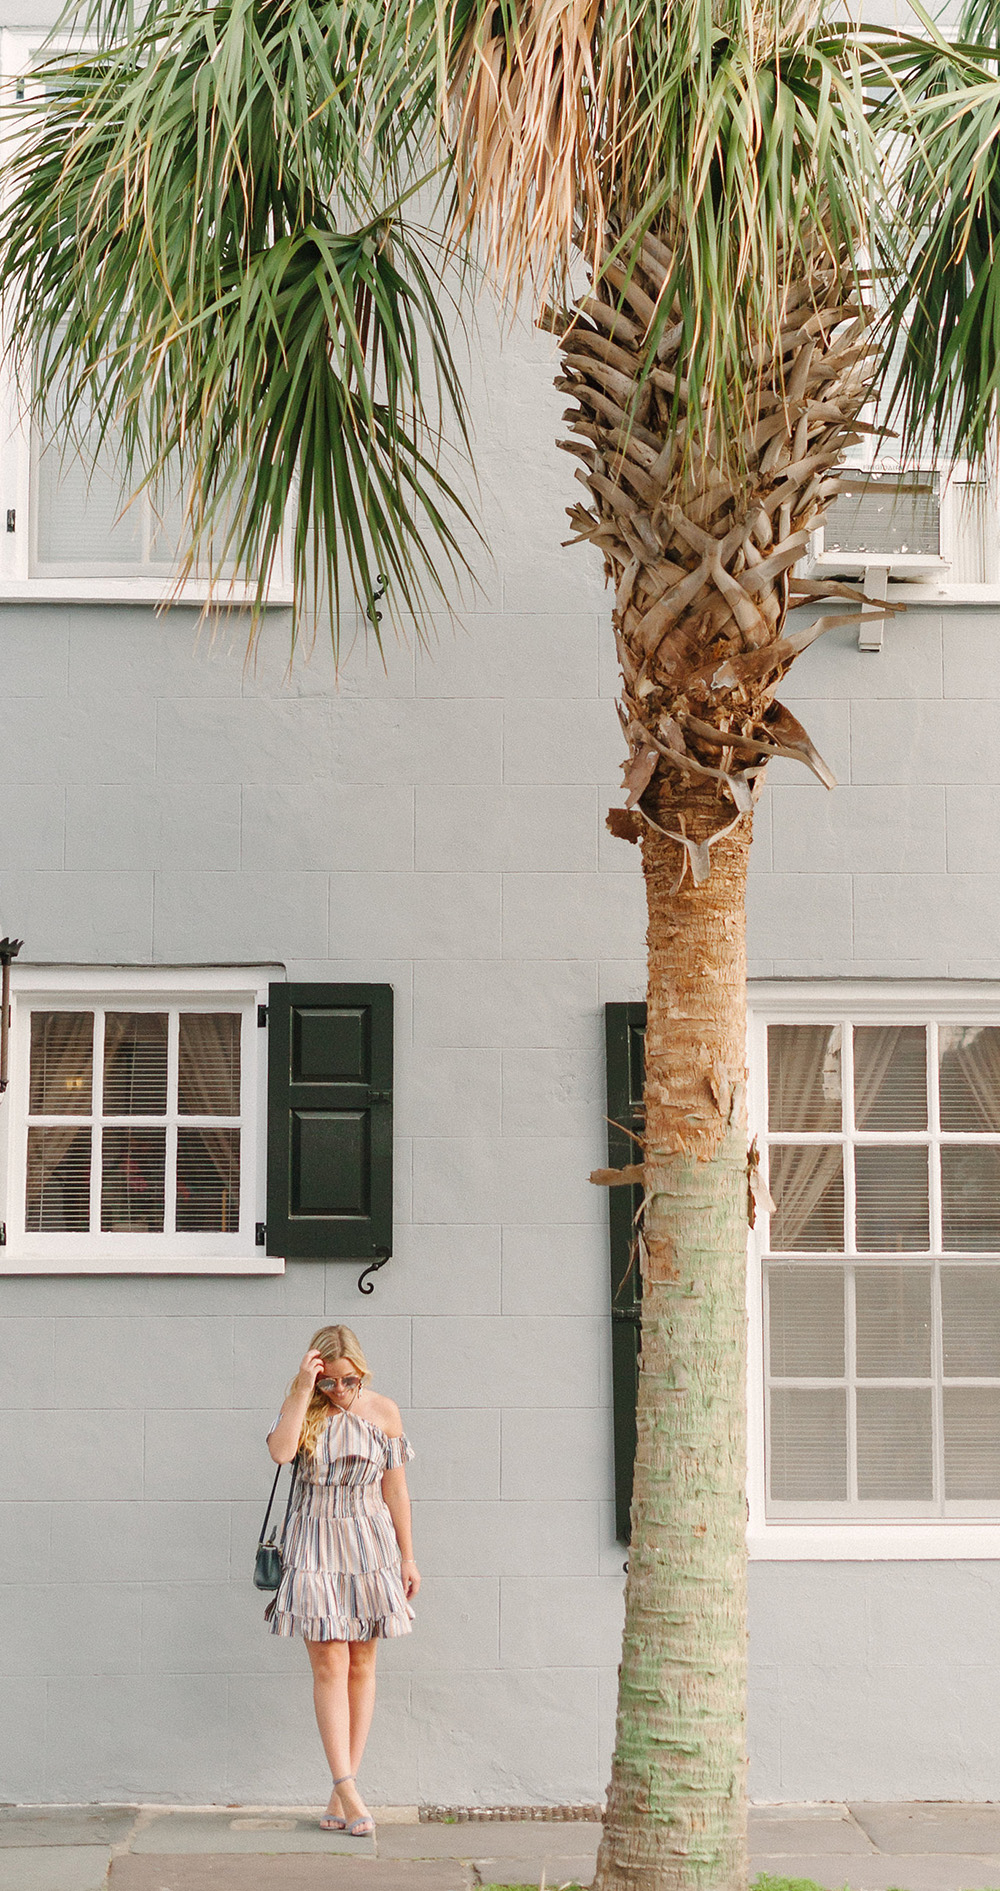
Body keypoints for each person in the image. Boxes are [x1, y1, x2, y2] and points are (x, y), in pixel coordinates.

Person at [266, 1323, 419, 1837]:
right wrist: (301, 1389)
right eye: (329, 1381)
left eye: (348, 1380)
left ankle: (341, 1791)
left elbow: (395, 1490)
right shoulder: (305, 1407)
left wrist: (408, 1557)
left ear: (362, 1371)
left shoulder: (384, 1411)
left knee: (362, 1663)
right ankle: (350, 1789)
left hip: (369, 1542)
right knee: (330, 1661)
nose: (339, 1390)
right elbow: (281, 1453)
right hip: (314, 1539)